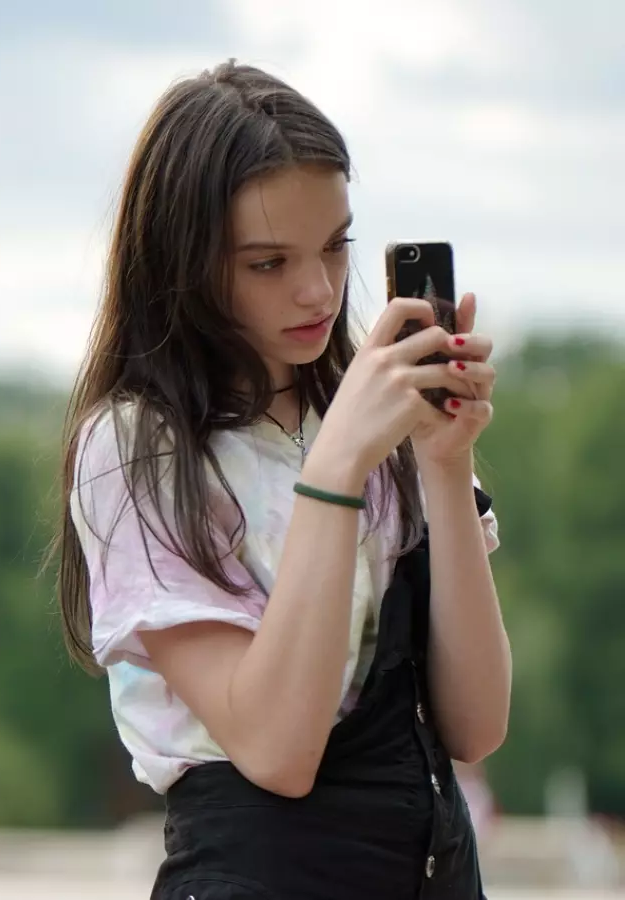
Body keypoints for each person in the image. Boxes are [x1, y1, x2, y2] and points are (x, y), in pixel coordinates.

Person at [52, 60, 511, 899]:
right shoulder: (139, 448)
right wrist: (336, 468)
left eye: (337, 246)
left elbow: (475, 727)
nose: (319, 290)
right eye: (268, 263)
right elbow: (277, 751)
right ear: (182, 261)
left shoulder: (372, 413)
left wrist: (445, 466)